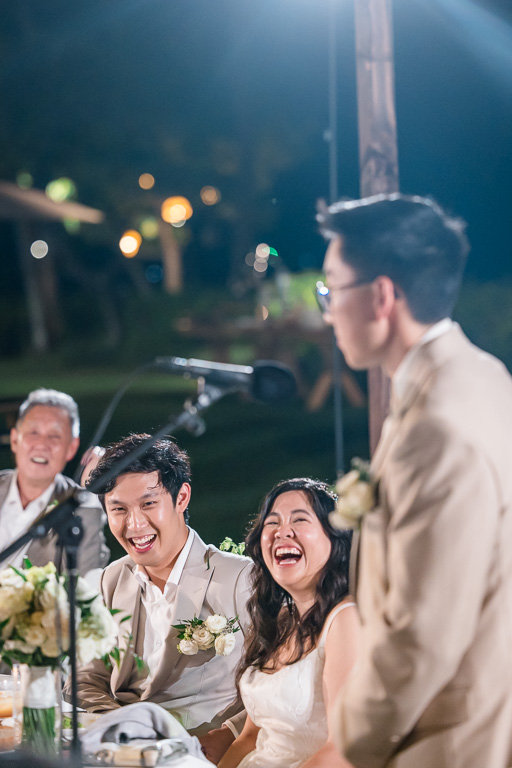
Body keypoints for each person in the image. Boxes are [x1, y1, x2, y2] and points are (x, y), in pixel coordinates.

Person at [317, 193, 512, 768]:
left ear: (380, 296)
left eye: (331, 289)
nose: (326, 311)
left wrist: (349, 741)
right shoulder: (483, 374)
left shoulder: (436, 428)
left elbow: (421, 637)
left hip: (441, 739)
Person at [69, 433, 252, 764]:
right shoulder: (112, 578)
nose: (135, 524)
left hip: (201, 749)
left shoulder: (238, 578)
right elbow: (86, 676)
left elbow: (277, 681)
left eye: (148, 504)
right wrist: (124, 729)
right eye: (119, 509)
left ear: (181, 498)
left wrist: (228, 735)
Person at [218, 478, 359, 768]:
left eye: (300, 520)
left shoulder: (346, 620)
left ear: (335, 538)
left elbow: (343, 751)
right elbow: (249, 738)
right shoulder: (277, 620)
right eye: (272, 523)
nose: (283, 532)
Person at [0, 388, 109, 575]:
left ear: (71, 447)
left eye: (54, 436)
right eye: (33, 432)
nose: (42, 444)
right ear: (15, 439)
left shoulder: (80, 508)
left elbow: (84, 586)